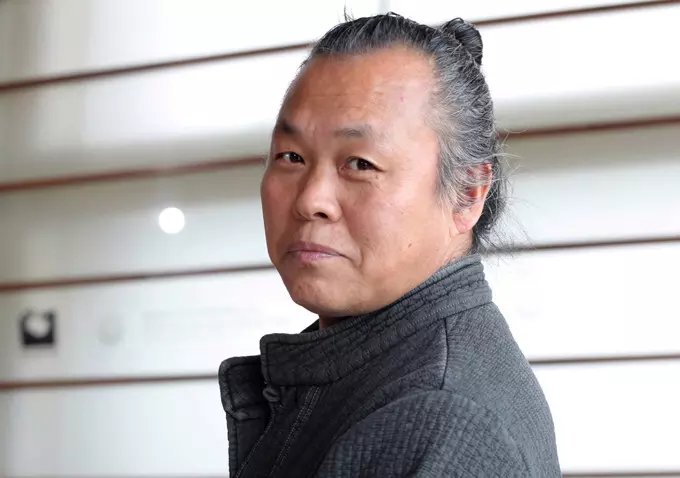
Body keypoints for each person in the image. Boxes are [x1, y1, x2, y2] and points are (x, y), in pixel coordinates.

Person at [218, 12, 561, 477]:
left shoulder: (439, 418)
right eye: (291, 156)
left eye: (360, 164)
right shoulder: (373, 370)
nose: (311, 200)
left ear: (467, 194)